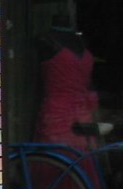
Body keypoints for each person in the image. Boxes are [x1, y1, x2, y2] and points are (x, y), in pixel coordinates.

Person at [34, 16, 99, 150]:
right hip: (80, 111)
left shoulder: (47, 40)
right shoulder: (79, 44)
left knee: (58, 154)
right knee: (75, 154)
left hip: (59, 110)